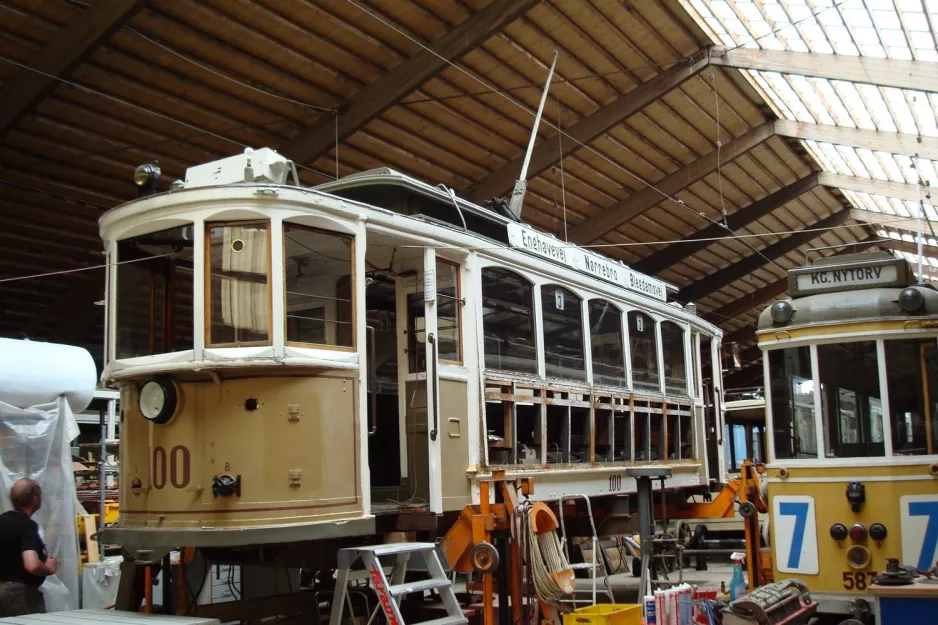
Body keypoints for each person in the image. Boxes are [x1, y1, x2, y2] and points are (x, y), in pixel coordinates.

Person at [0, 478, 57, 616]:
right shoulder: (27, 525)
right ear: (35, 499)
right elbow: (32, 564)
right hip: (18, 594)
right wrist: (48, 568)